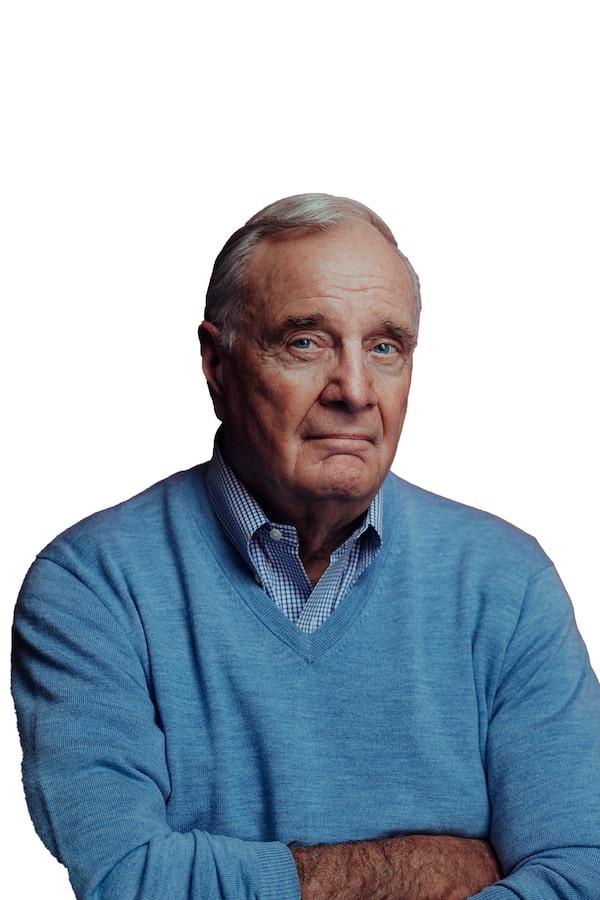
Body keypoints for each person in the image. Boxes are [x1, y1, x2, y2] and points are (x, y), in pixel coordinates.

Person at [12, 193, 600, 900]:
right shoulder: (92, 585)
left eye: (385, 347)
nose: (354, 390)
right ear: (216, 363)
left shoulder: (506, 583)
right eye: (306, 342)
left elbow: (581, 872)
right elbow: (131, 878)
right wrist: (424, 870)